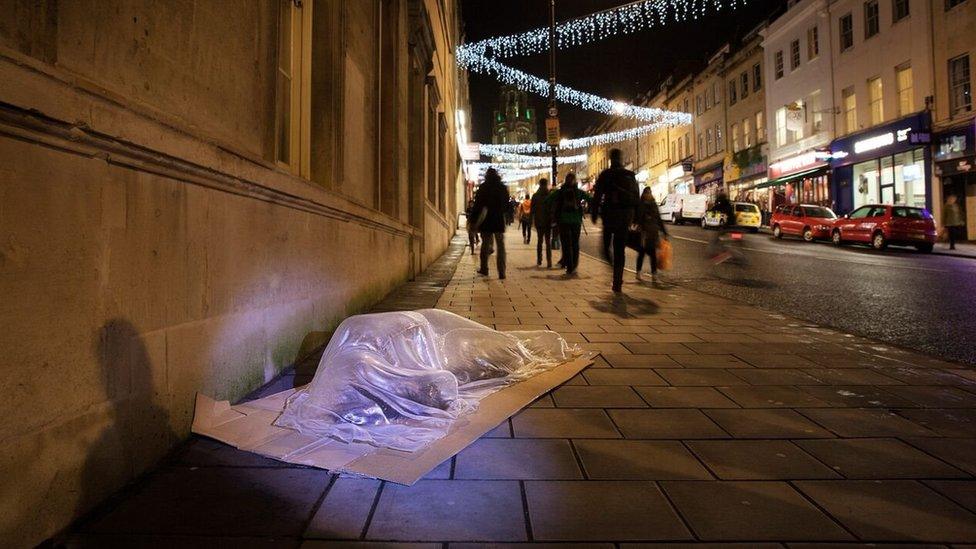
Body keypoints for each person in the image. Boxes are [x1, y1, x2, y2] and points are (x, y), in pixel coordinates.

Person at [591, 148, 640, 292]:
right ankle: (617, 280)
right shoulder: (629, 175)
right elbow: (636, 196)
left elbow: (597, 195)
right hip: (626, 216)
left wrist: (594, 213)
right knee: (620, 248)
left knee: (606, 247)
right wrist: (636, 216)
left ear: (610, 159)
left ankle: (614, 269)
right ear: (621, 158)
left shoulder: (606, 174)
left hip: (610, 215)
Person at [549, 173, 590, 275]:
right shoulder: (578, 192)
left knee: (566, 244)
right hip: (576, 221)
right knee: (575, 244)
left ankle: (569, 267)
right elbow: (590, 198)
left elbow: (548, 200)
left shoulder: (560, 192)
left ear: (565, 181)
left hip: (563, 221)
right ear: (574, 181)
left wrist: (554, 208)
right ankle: (575, 266)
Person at [472, 168, 510, 279]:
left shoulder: (483, 187)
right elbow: (506, 205)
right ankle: (502, 272)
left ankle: (484, 268)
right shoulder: (502, 188)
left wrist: (474, 220)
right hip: (498, 219)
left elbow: (478, 205)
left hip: (487, 220)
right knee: (501, 246)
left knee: (485, 244)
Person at [635, 188, 668, 281]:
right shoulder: (641, 205)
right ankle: (638, 272)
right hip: (644, 233)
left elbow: (659, 219)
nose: (648, 195)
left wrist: (664, 232)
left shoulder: (654, 205)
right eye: (647, 193)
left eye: (650, 193)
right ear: (644, 194)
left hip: (653, 233)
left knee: (653, 254)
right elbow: (638, 218)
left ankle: (654, 274)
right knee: (641, 253)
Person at [530, 178, 553, 267]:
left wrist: (531, 221)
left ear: (539, 184)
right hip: (548, 221)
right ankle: (549, 261)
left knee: (540, 241)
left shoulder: (535, 196)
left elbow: (532, 209)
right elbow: (552, 208)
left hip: (539, 221)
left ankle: (539, 260)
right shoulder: (549, 195)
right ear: (546, 184)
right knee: (548, 242)